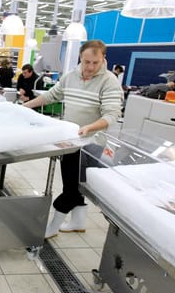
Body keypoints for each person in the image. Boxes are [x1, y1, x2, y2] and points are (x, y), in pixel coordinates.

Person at [23, 40, 123, 239]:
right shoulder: (71, 76)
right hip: (71, 141)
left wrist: (90, 127)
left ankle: (53, 226)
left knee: (72, 187)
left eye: (96, 62)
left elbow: (111, 115)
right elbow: (51, 96)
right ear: (80, 58)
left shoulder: (109, 81)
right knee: (75, 183)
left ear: (104, 59)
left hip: (90, 144)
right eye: (87, 62)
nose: (90, 67)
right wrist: (25, 107)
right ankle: (78, 222)